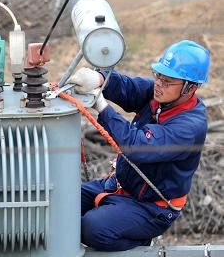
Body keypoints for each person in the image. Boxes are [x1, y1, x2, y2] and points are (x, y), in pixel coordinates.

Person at [68, 40, 210, 251]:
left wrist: (103, 108)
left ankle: (141, 244)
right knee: (63, 205)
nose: (159, 84)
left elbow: (137, 146)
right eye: (158, 76)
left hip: (151, 207)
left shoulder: (189, 126)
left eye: (168, 80)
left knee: (92, 228)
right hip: (120, 186)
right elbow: (129, 87)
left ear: (190, 87)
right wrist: (100, 78)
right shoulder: (159, 97)